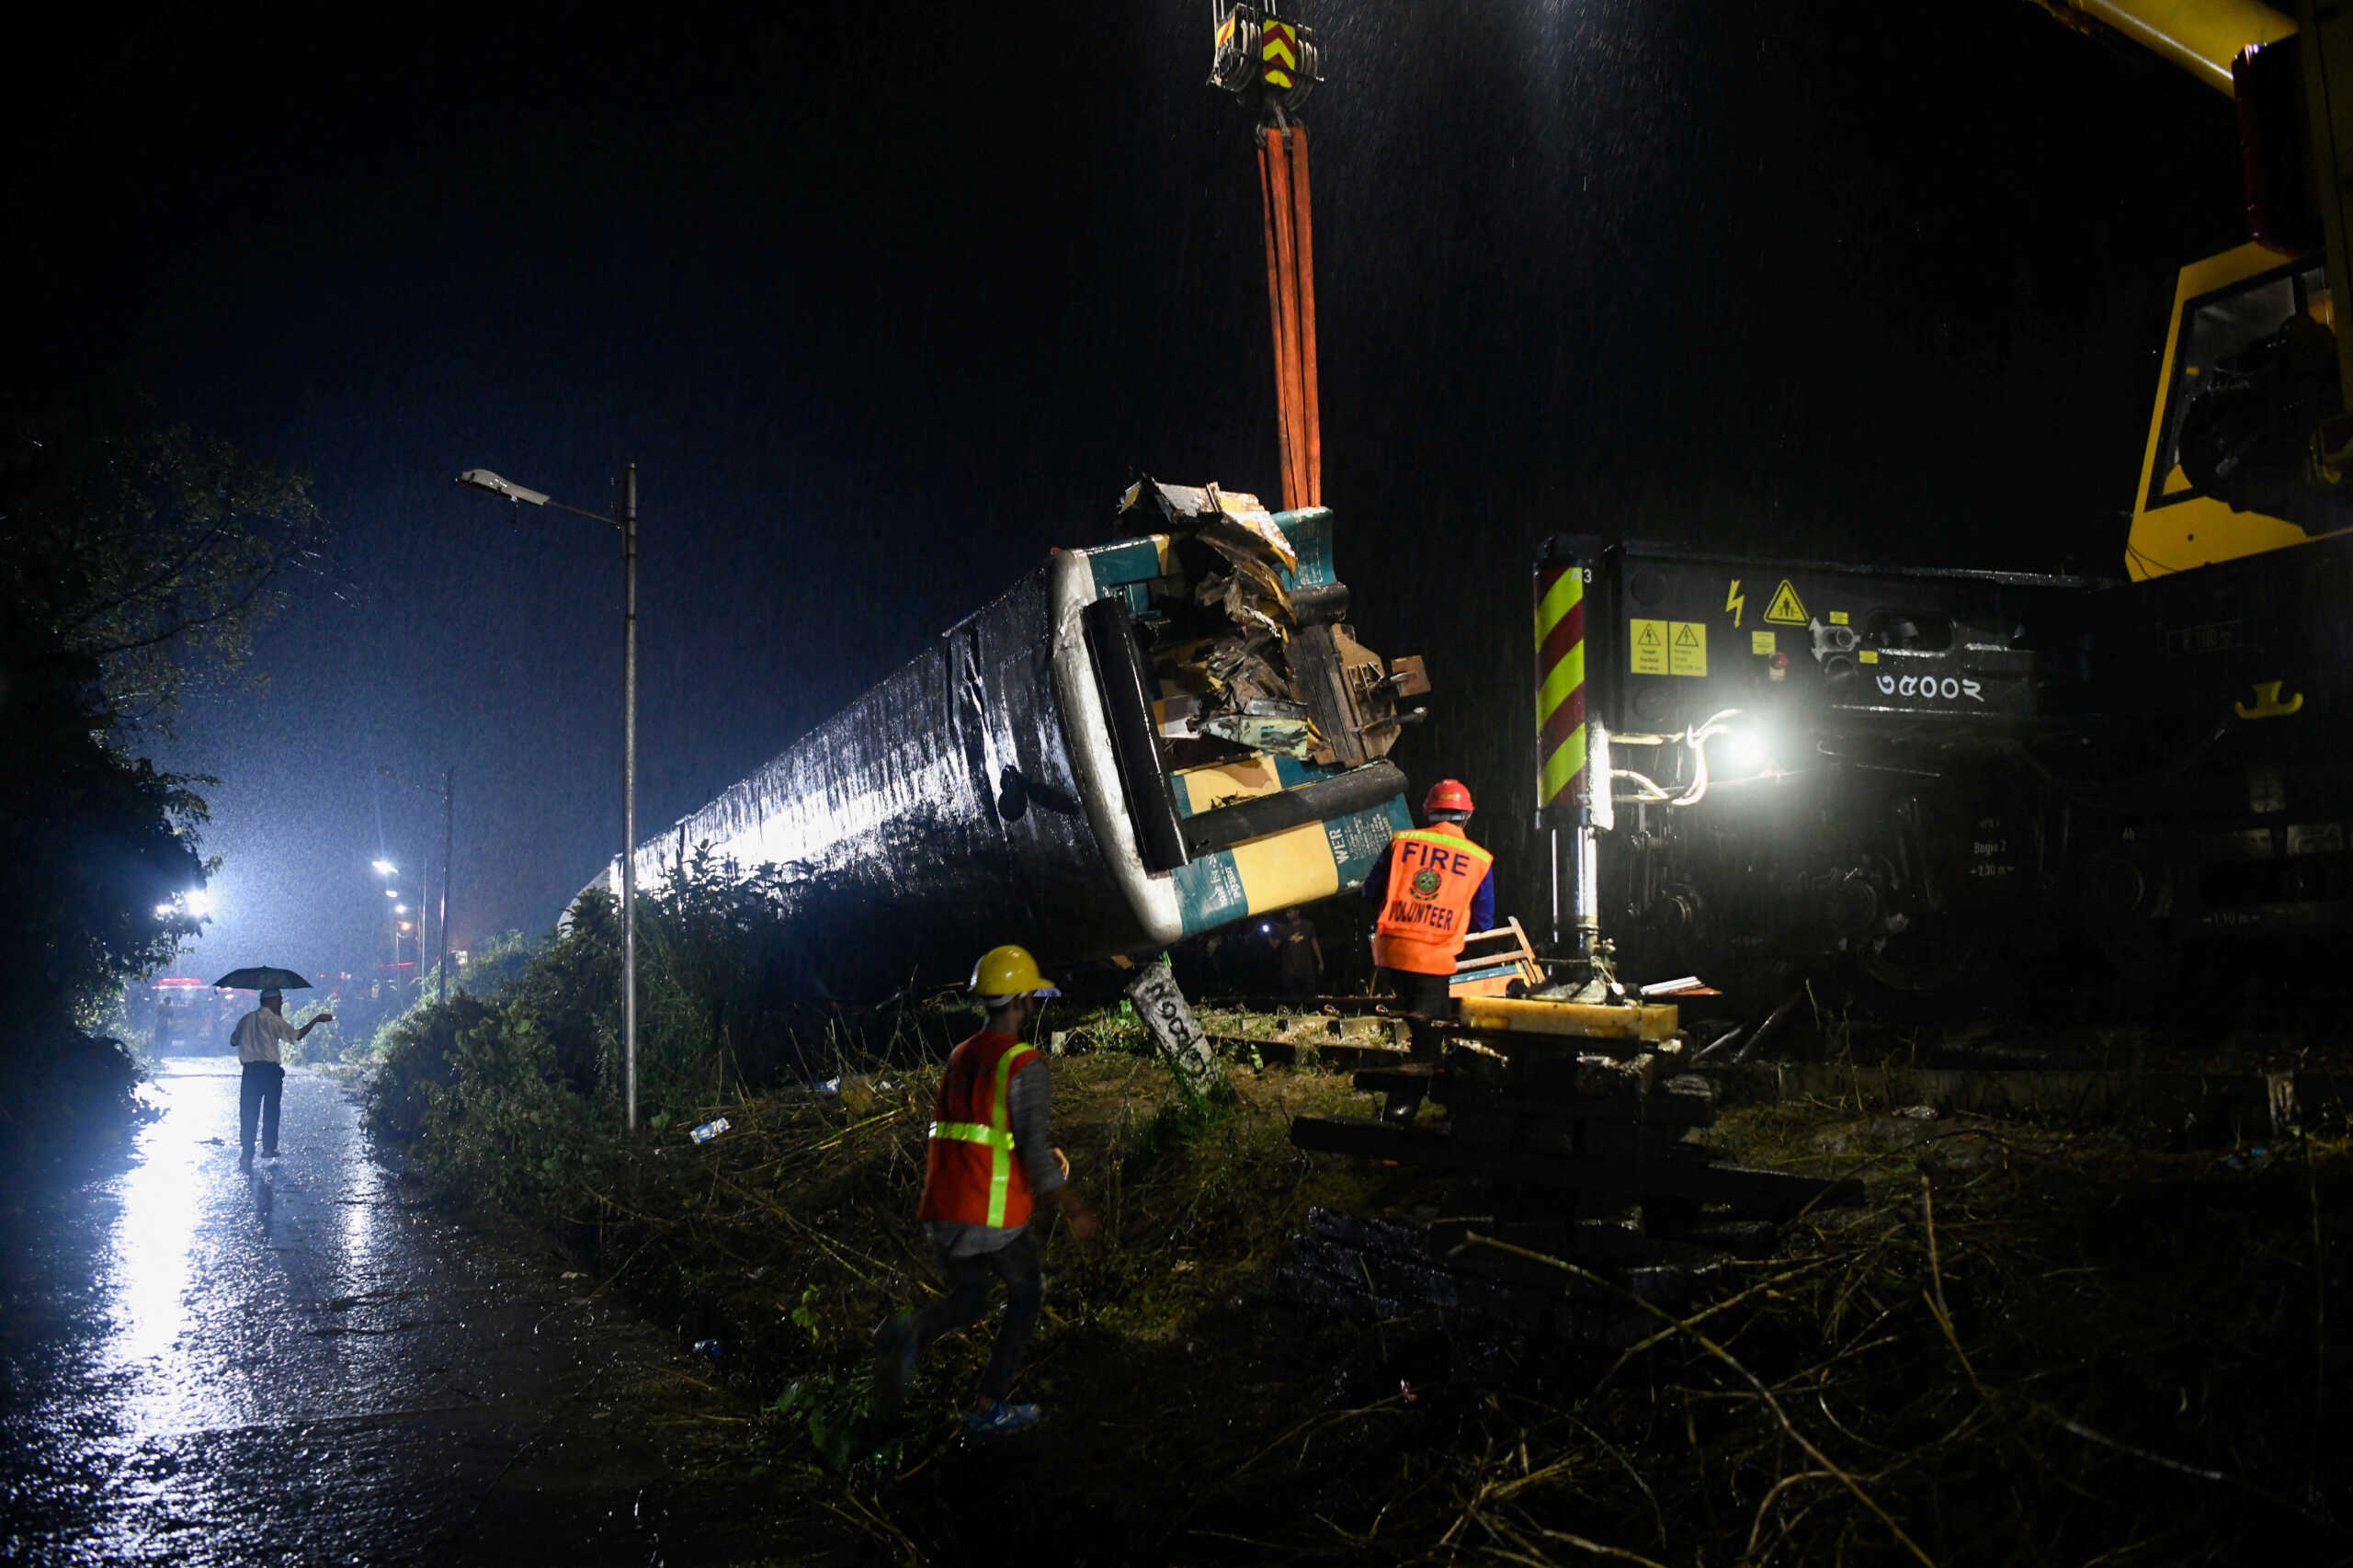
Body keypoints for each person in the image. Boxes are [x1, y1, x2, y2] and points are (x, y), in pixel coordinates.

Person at [875, 944, 1097, 1437]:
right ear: (1020, 1001)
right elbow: (1036, 1161)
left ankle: (910, 1332)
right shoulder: (1023, 1063)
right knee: (1027, 1292)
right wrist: (1074, 1208)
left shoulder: (961, 1054)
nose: (1033, 1004)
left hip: (941, 1209)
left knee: (972, 1300)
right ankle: (988, 1407)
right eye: (1030, 997)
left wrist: (1037, 1149)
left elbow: (982, 1128)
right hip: (989, 1211)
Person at [1363, 778, 1495, 1048]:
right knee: (1430, 1040)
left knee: (1409, 1018)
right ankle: (1416, 1076)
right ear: (1467, 816)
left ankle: (1404, 1077)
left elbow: (1370, 892)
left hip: (1388, 955)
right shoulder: (1479, 859)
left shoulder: (1401, 842)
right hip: (1433, 962)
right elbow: (1484, 922)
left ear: (1428, 811)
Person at [232, 989, 331, 1166]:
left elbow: (233, 1040)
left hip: (250, 1072)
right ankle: (268, 1148)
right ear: (272, 1001)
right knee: (271, 1111)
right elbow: (296, 1036)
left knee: (248, 1112)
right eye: (280, 1001)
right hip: (270, 1072)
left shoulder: (246, 1019)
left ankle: (247, 1153)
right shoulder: (275, 1020)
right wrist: (316, 1020)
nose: (281, 1004)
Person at [1276, 907, 1324, 1004]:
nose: (1287, 915)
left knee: (1309, 999)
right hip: (1291, 971)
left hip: (1306, 969)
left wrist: (1320, 962)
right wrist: (1266, 934)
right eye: (1286, 913)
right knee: (1293, 1000)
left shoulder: (1308, 925)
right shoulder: (1284, 928)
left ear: (1297, 912)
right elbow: (1275, 944)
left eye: (1290, 912)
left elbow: (1314, 944)